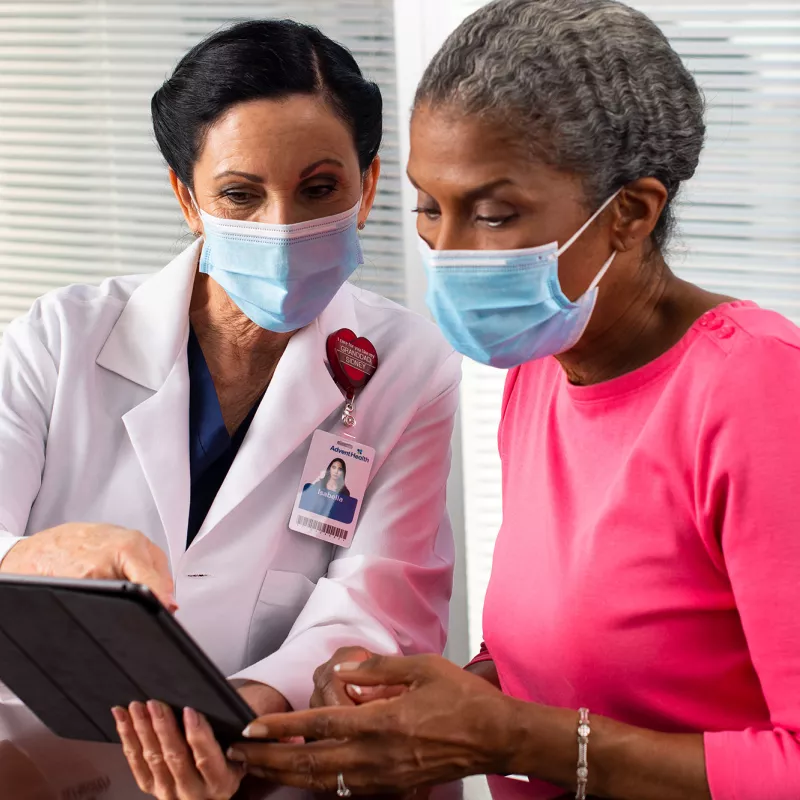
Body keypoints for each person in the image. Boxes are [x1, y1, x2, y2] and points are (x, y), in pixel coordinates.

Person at [226, 2, 800, 799]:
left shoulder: (760, 393)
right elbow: (582, 662)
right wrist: (422, 700)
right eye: (430, 206)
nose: (448, 253)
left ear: (630, 213)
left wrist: (510, 735)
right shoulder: (541, 367)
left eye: (493, 215)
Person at [0, 19, 460, 800]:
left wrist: (251, 710)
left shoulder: (408, 366)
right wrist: (39, 555)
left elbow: (382, 599)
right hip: (39, 760)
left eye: (319, 190)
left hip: (269, 762)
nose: (281, 227)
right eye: (240, 196)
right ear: (187, 198)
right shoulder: (60, 338)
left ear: (369, 185)